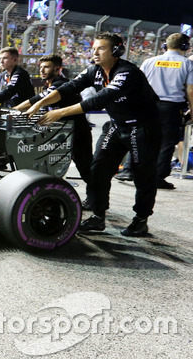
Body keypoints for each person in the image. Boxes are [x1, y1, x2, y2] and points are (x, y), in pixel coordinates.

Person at [26, 33, 160, 237]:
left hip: (143, 127)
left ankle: (141, 219)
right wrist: (39, 103)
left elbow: (98, 100)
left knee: (143, 175)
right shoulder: (94, 70)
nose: (95, 52)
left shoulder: (127, 72)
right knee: (98, 169)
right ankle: (98, 217)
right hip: (117, 125)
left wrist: (59, 112)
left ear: (116, 51)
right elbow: (69, 87)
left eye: (101, 48)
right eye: (94, 48)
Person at [14, 54, 93, 186]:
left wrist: (15, 110)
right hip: (62, 133)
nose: (42, 70)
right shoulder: (49, 85)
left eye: (46, 67)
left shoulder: (61, 84)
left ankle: (96, 201)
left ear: (57, 69)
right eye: (41, 67)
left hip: (78, 133)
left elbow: (36, 100)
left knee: (86, 169)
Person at [130, 33, 193, 190]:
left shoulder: (149, 61)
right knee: (167, 143)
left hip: (147, 105)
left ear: (165, 46)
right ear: (184, 46)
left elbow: (137, 85)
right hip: (171, 108)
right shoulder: (187, 64)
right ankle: (158, 177)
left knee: (141, 138)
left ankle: (129, 170)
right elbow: (191, 91)